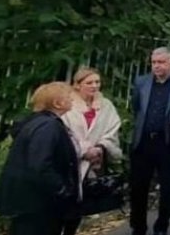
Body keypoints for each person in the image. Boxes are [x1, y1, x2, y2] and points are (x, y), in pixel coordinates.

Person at [0, 82, 80, 235]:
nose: (72, 100)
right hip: (38, 203)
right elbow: (40, 164)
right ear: (57, 103)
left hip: (29, 200)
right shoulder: (48, 126)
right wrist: (62, 189)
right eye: (68, 97)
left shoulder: (36, 122)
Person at [130, 48, 170, 235]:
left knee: (168, 187)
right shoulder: (142, 82)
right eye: (154, 62)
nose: (156, 66)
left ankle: (162, 225)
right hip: (144, 141)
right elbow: (136, 108)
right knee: (138, 186)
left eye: (161, 62)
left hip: (167, 142)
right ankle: (138, 226)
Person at [62, 68, 123, 234]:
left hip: (93, 163)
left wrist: (101, 147)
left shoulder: (106, 105)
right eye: (89, 82)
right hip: (70, 162)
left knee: (80, 208)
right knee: (64, 205)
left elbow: (112, 130)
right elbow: (63, 132)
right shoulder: (68, 105)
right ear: (77, 85)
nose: (94, 86)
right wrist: (83, 150)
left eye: (97, 82)